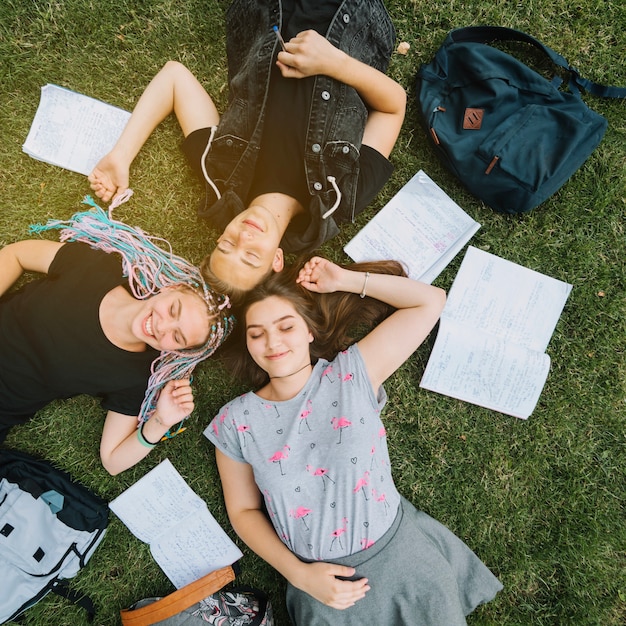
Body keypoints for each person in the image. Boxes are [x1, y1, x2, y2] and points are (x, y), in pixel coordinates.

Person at [204, 257, 503, 624]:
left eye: (286, 326)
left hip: (402, 559)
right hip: (323, 588)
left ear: (309, 331)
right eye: (257, 333)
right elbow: (243, 512)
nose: (272, 342)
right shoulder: (235, 421)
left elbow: (430, 301)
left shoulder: (351, 373)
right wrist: (298, 574)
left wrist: (344, 279)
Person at [88, 0, 406, 298]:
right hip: (349, 17)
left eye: (227, 246)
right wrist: (334, 63)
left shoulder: (217, 174)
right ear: (277, 260)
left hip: (267, 13)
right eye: (252, 256)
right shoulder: (341, 200)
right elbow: (393, 107)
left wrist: (121, 156)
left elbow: (175, 78)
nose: (243, 238)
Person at [0, 201, 232, 475]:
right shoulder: (97, 269)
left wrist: (160, 421)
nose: (161, 326)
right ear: (172, 289)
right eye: (173, 310)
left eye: (177, 336)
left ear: (181, 351)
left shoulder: (134, 376)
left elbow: (112, 461)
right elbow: (18, 255)